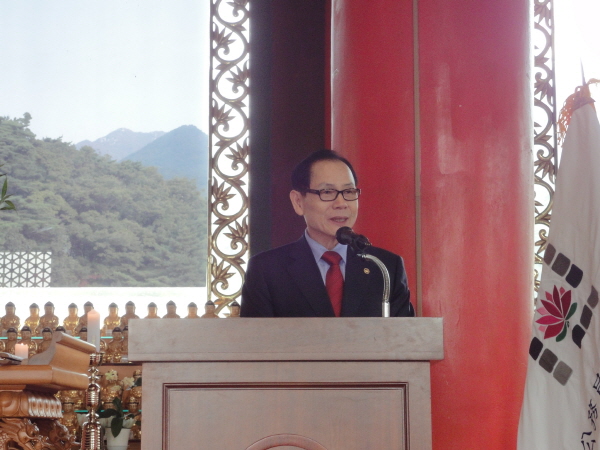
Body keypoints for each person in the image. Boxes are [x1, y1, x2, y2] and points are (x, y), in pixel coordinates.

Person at [241, 149, 414, 318]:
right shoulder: (266, 271)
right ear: (298, 201)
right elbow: (256, 344)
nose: (341, 203)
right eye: (327, 192)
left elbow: (405, 341)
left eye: (348, 192)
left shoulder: (385, 268)